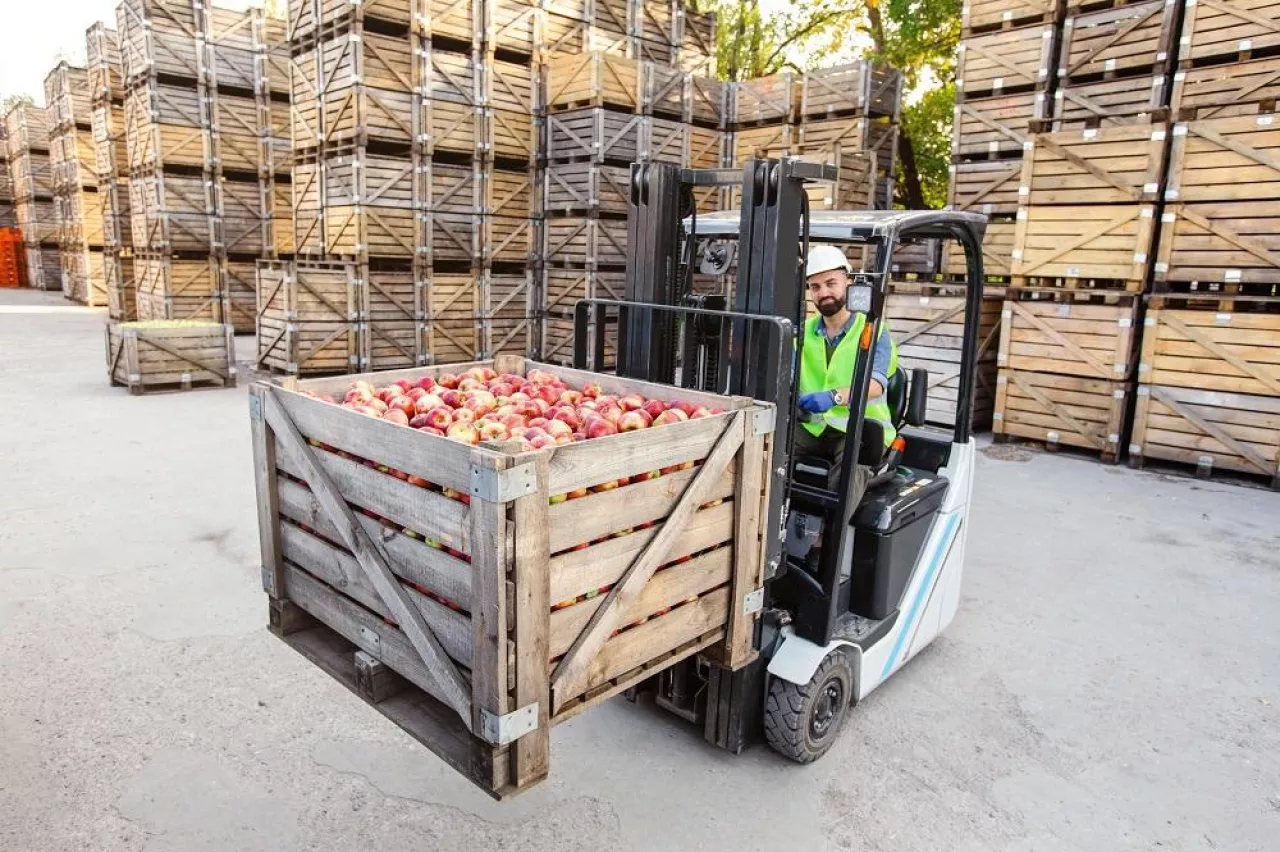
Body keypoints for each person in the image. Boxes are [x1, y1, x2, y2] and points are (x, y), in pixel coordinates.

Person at [793, 244, 898, 502]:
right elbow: (785, 373)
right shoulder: (801, 332)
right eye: (815, 287)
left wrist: (834, 397)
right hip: (814, 426)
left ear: (848, 283)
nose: (824, 293)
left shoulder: (873, 330)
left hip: (860, 428)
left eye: (831, 283)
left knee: (850, 464)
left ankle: (828, 537)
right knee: (766, 446)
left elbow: (875, 384)